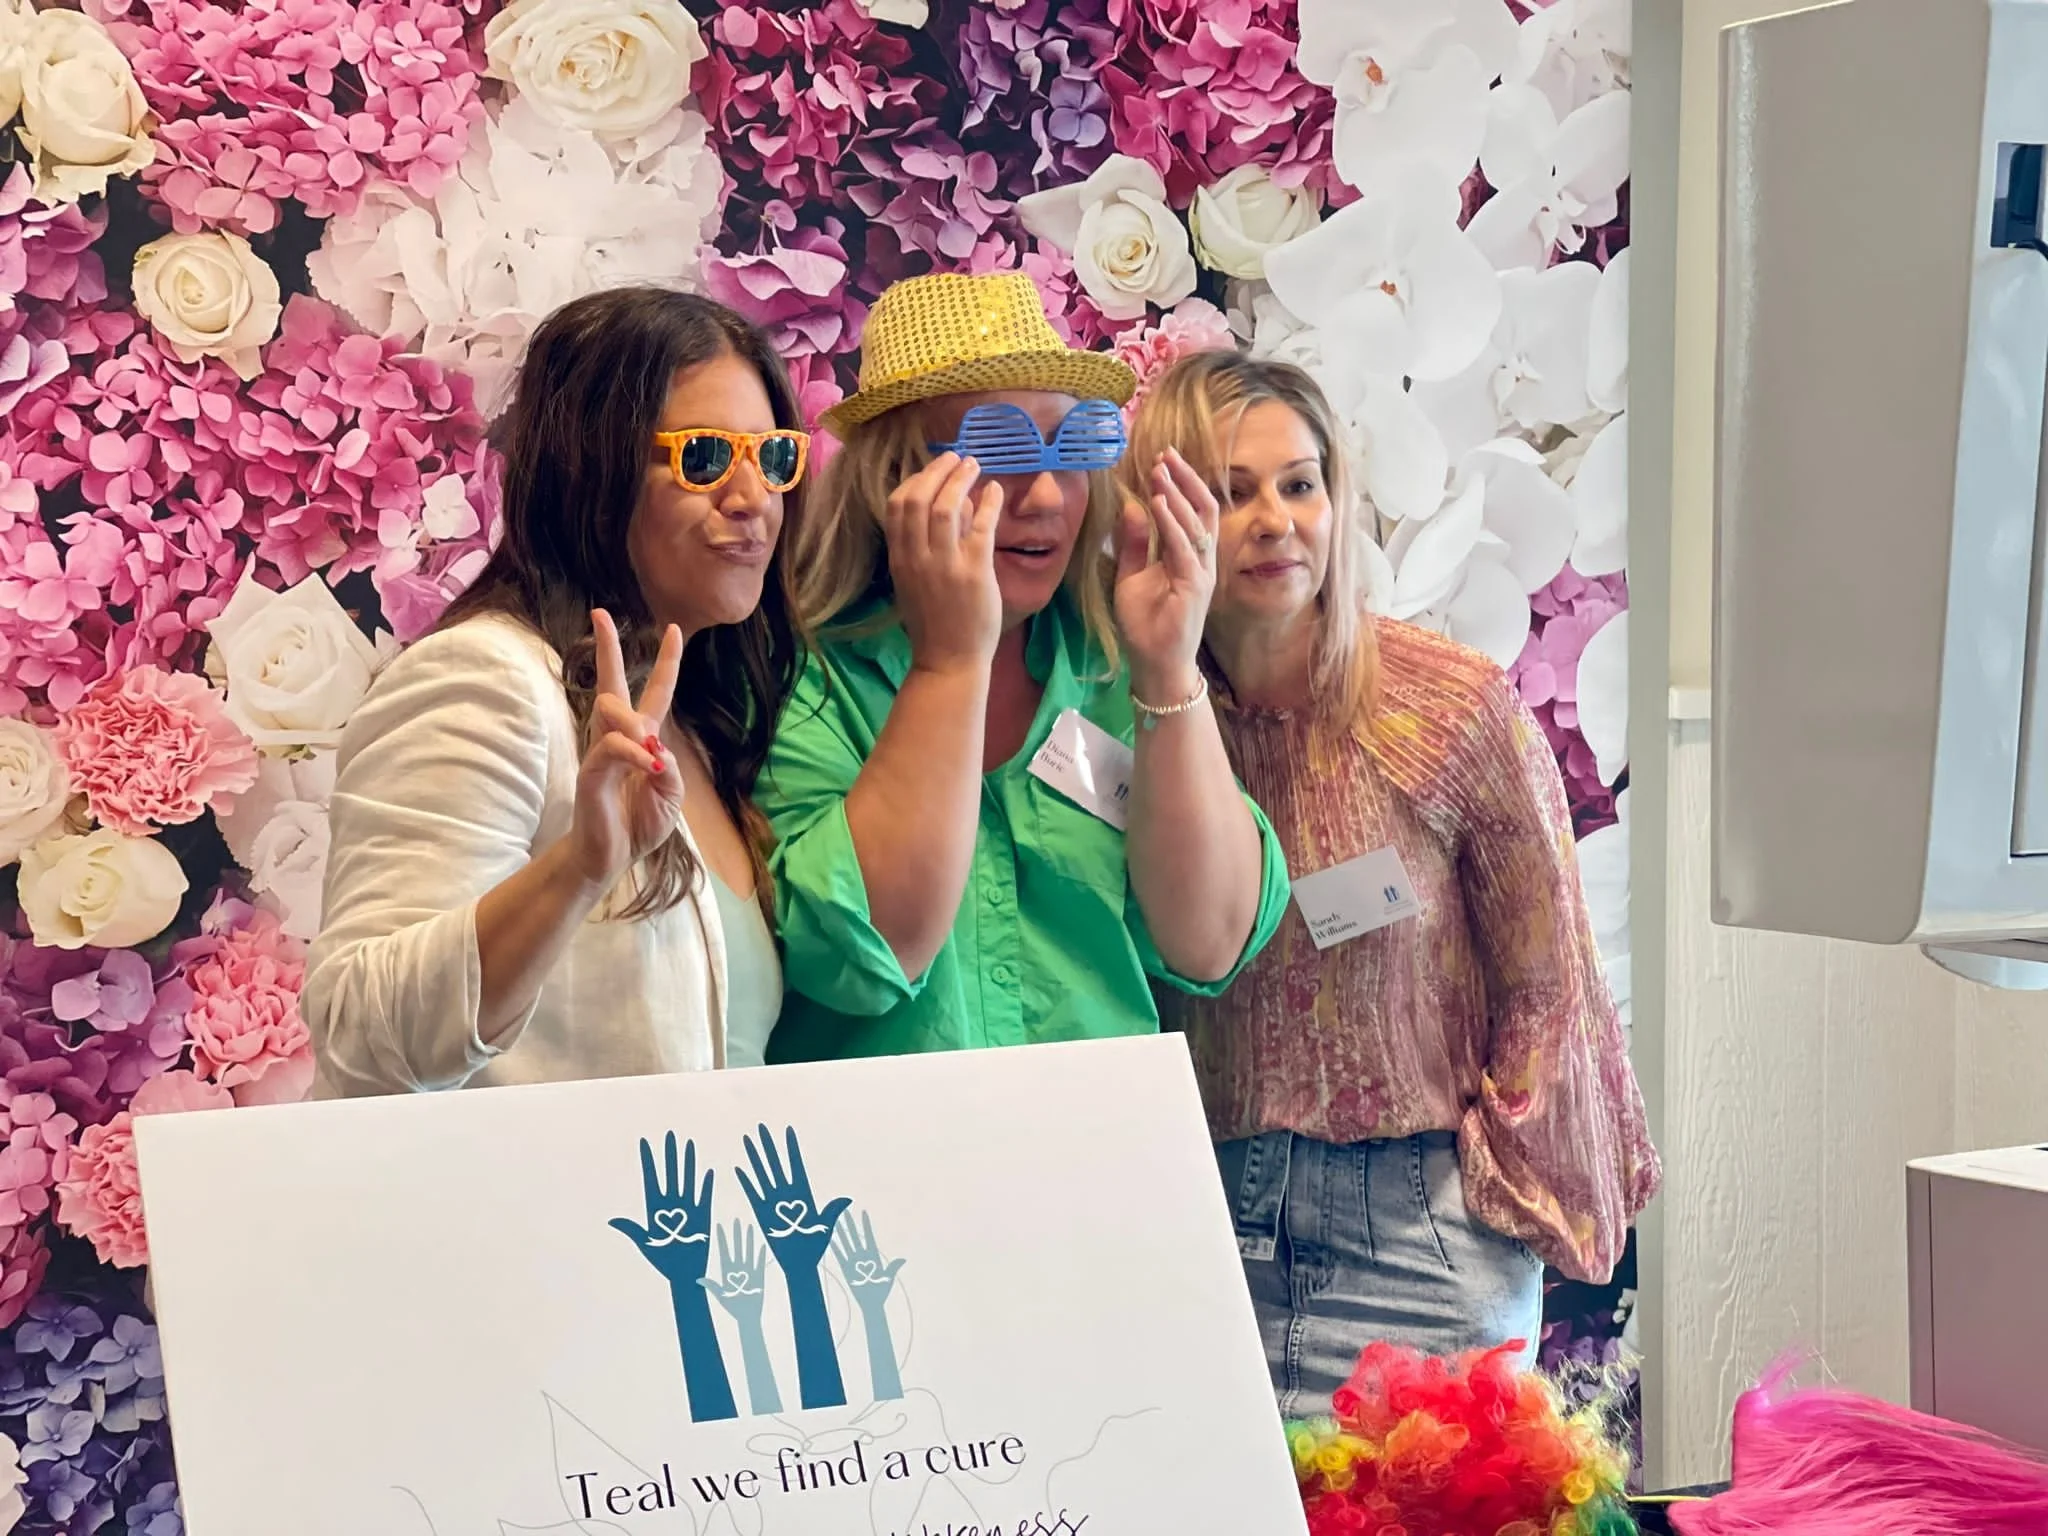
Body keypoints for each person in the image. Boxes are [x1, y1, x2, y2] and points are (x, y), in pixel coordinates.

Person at [1128, 351, 1660, 1416]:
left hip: (1415, 1243)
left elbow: (1547, 980)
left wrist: (1487, 1203)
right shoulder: (1125, 722)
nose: (1275, 520)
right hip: (1191, 1241)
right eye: (1231, 493)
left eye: (1299, 482)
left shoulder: (1448, 706)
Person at [754, 270, 1291, 1062]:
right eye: (998, 449)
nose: (1045, 495)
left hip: (1095, 1161)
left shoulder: (1108, 670)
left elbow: (1208, 942)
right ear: (893, 481)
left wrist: (1171, 671)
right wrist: (947, 661)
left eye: (1074, 448)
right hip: (878, 1168)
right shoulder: (806, 681)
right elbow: (866, 957)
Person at [304, 287, 808, 1092]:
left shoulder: (691, 725)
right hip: (507, 1217)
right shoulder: (484, 679)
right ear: (590, 472)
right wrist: (578, 867)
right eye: (706, 456)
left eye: (774, 457)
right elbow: (362, 1031)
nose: (754, 501)